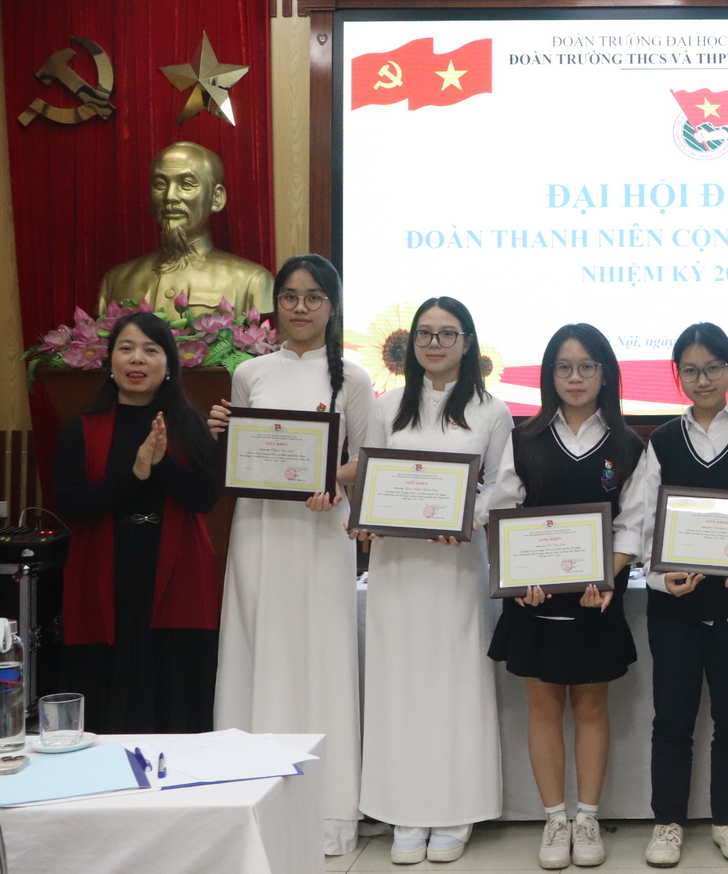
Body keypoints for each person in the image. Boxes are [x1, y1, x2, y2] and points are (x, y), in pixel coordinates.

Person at [208, 254, 372, 857]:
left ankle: (328, 814)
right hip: (259, 531)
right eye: (290, 297)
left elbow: (366, 461)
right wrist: (223, 431)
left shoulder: (353, 378)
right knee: (258, 650)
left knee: (321, 654)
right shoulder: (250, 372)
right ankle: (252, 802)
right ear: (275, 304)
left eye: (314, 297)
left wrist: (329, 477)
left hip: (320, 532)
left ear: (332, 306)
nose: (301, 308)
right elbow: (244, 452)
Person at [354, 298, 511, 865]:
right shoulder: (388, 406)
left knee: (454, 680)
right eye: (425, 333)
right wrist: (366, 516)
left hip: (455, 564)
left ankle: (454, 809)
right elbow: (369, 472)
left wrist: (468, 518)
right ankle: (403, 808)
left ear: (468, 342)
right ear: (411, 343)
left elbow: (505, 484)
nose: (435, 343)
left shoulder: (491, 410)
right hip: (397, 565)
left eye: (448, 334)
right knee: (398, 680)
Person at [614, 323, 728, 868]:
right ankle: (667, 823)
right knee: (672, 720)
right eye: (690, 370)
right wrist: (661, 578)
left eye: (712, 368)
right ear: (677, 375)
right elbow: (642, 521)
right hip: (675, 608)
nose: (702, 379)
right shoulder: (660, 441)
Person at [487, 323, 643, 870]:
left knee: (593, 706)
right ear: (550, 375)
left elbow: (632, 525)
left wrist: (608, 575)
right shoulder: (523, 439)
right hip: (535, 600)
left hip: (597, 598)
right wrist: (517, 574)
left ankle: (588, 817)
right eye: (564, 367)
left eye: (587, 367)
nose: (575, 378)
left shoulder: (628, 445)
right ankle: (555, 818)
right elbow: (503, 511)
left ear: (606, 375)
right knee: (544, 705)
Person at [54, 310, 219, 734]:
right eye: (125, 348)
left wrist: (160, 463)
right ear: (110, 361)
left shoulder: (192, 425)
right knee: (107, 688)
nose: (137, 359)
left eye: (150, 349)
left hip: (176, 571)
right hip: (107, 567)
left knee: (173, 686)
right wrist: (135, 473)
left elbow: (203, 499)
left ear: (170, 365)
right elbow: (71, 504)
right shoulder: (81, 428)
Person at [96, 141, 275, 316]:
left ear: (216, 198)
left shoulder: (252, 281)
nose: (170, 196)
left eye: (186, 184)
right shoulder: (115, 282)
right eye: (160, 185)